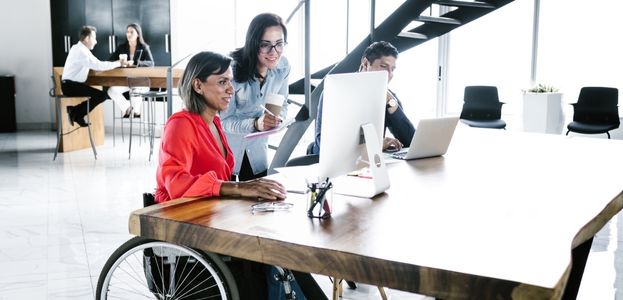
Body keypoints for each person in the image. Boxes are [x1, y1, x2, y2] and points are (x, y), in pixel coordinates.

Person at [156, 51, 320, 300]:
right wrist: (239, 188)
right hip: (188, 224)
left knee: (286, 247)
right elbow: (176, 184)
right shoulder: (180, 125)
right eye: (222, 82)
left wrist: (250, 188)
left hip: (213, 216)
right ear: (198, 85)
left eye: (230, 81)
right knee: (274, 252)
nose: (231, 89)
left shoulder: (214, 122)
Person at [308, 41, 416, 155]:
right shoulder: (336, 91)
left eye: (392, 69)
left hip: (368, 164)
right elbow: (323, 145)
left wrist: (391, 103)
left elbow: (411, 141)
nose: (389, 74)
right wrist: (374, 145)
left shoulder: (388, 98)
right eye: (384, 66)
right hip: (330, 164)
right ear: (365, 63)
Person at [220, 13, 290, 181]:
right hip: (226, 152)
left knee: (257, 203)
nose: (274, 52)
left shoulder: (283, 67)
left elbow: (282, 105)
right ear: (253, 44)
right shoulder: (231, 70)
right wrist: (255, 124)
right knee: (226, 206)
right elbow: (224, 121)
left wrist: (276, 119)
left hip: (257, 152)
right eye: (265, 45)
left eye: (279, 44)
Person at [62, 25, 121, 127]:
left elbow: (96, 63)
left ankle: (76, 112)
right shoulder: (81, 51)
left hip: (71, 85)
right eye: (94, 38)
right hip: (71, 86)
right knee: (101, 95)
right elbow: (99, 65)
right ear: (87, 38)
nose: (96, 41)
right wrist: (119, 63)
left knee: (101, 95)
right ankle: (75, 112)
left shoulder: (80, 49)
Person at [107, 23, 155, 117]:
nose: (129, 34)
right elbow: (110, 60)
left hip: (141, 81)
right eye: (127, 32)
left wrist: (135, 62)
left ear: (137, 34)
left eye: (131, 32)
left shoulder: (144, 47)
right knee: (111, 91)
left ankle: (136, 112)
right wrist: (120, 62)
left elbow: (151, 63)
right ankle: (127, 108)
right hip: (127, 81)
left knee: (135, 90)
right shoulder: (122, 47)